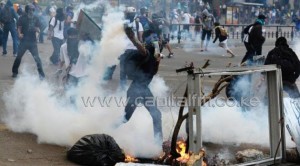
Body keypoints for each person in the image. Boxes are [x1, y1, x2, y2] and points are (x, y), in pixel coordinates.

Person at [117, 25, 163, 145]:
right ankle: (107, 131)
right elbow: (140, 48)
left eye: (156, 37)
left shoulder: (154, 56)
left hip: (142, 90)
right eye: (153, 37)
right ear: (147, 40)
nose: (156, 39)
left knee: (156, 115)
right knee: (126, 118)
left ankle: (158, 144)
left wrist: (157, 62)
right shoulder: (145, 52)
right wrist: (132, 37)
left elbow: (152, 73)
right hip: (136, 91)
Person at [12, 4, 45, 79]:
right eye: (30, 10)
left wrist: (38, 31)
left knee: (37, 58)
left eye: (33, 10)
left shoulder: (36, 18)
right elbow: (19, 27)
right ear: (27, 10)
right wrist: (19, 34)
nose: (31, 11)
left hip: (32, 42)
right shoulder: (22, 18)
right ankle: (14, 72)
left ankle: (41, 74)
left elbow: (38, 28)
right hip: (24, 42)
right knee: (18, 57)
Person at [119, 7, 144, 90]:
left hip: (125, 50)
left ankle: (123, 90)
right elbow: (140, 38)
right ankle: (135, 88)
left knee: (123, 71)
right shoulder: (138, 24)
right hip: (134, 49)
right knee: (135, 70)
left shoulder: (122, 23)